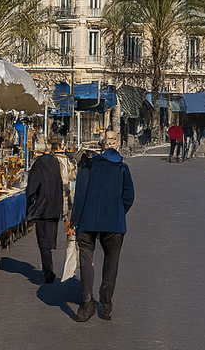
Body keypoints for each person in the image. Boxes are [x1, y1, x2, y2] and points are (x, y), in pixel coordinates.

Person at [70, 137, 135, 322]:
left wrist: (74, 221)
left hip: (88, 220)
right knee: (111, 260)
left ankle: (87, 302)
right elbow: (129, 196)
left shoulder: (87, 167)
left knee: (86, 259)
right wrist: (118, 211)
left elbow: (80, 196)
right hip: (114, 223)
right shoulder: (121, 167)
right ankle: (106, 304)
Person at [26, 144, 66, 284]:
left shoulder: (39, 164)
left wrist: (31, 203)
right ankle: (48, 268)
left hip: (42, 208)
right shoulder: (55, 163)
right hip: (54, 206)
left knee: (42, 240)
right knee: (48, 238)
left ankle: (48, 271)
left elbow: (32, 186)